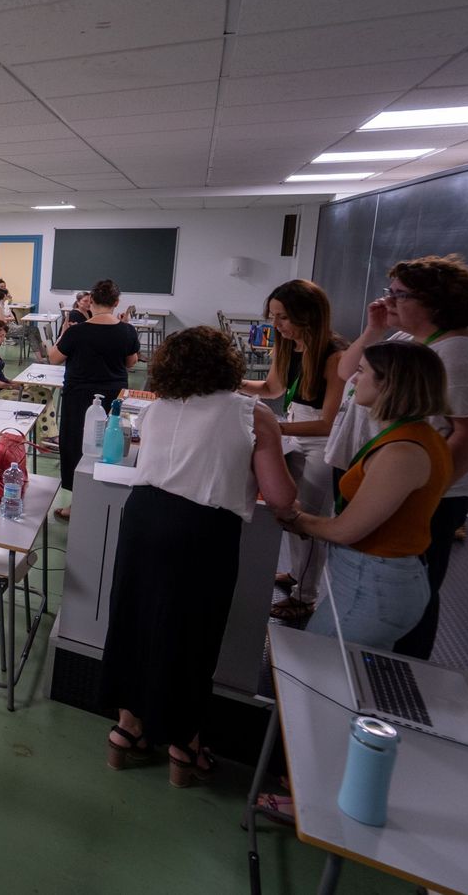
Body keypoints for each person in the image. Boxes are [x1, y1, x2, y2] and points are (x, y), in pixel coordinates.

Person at [100, 327, 297, 787]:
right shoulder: (252, 413)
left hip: (143, 518)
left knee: (134, 620)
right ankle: (183, 745)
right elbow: (281, 496)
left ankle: (127, 729)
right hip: (202, 530)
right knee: (192, 634)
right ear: (227, 366)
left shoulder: (155, 409)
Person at [325, 254, 468, 660]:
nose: (389, 300)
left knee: (408, 587)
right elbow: (346, 372)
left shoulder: (460, 355)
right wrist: (373, 329)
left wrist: (421, 492)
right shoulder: (407, 342)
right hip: (384, 476)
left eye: (399, 294)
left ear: (435, 302)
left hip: (421, 493)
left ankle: (399, 672)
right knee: (371, 578)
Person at [287, 342, 452, 651]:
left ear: (388, 384)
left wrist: (294, 517)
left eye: (362, 372)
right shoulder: (414, 436)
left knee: (321, 666)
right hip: (373, 579)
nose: (353, 380)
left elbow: (346, 530)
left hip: (375, 583)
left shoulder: (402, 452)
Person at [238, 280, 347, 620]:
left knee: (310, 517)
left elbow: (328, 423)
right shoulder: (290, 347)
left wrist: (275, 429)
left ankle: (306, 597)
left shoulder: (335, 356)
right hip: (294, 432)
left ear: (308, 316)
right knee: (287, 510)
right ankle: (298, 576)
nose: (276, 326)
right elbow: (271, 389)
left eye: (283, 318)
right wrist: (232, 380)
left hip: (321, 444)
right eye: (273, 316)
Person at [49, 279, 140, 521]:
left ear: (91, 302)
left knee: (77, 445)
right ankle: (107, 503)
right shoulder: (127, 330)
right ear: (116, 303)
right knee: (110, 448)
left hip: (79, 396)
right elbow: (131, 363)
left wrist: (63, 335)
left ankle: (77, 504)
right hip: (114, 396)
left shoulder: (77, 331)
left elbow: (54, 358)